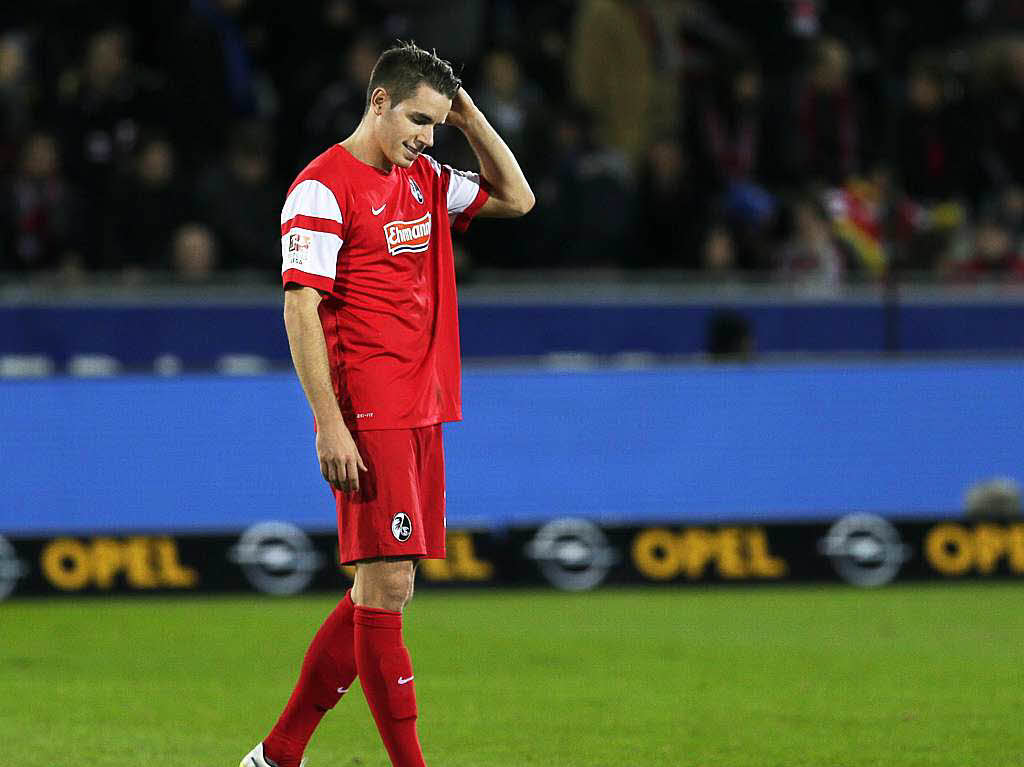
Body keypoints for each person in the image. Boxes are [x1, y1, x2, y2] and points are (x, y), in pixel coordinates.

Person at [240, 41, 533, 767]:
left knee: (385, 586)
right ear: (378, 103)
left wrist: (466, 115)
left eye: (435, 124)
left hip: (423, 404)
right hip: (368, 409)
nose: (424, 138)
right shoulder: (322, 187)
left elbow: (519, 198)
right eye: (417, 120)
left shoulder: (426, 177)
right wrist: (328, 423)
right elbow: (300, 309)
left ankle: (277, 754)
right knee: (389, 581)